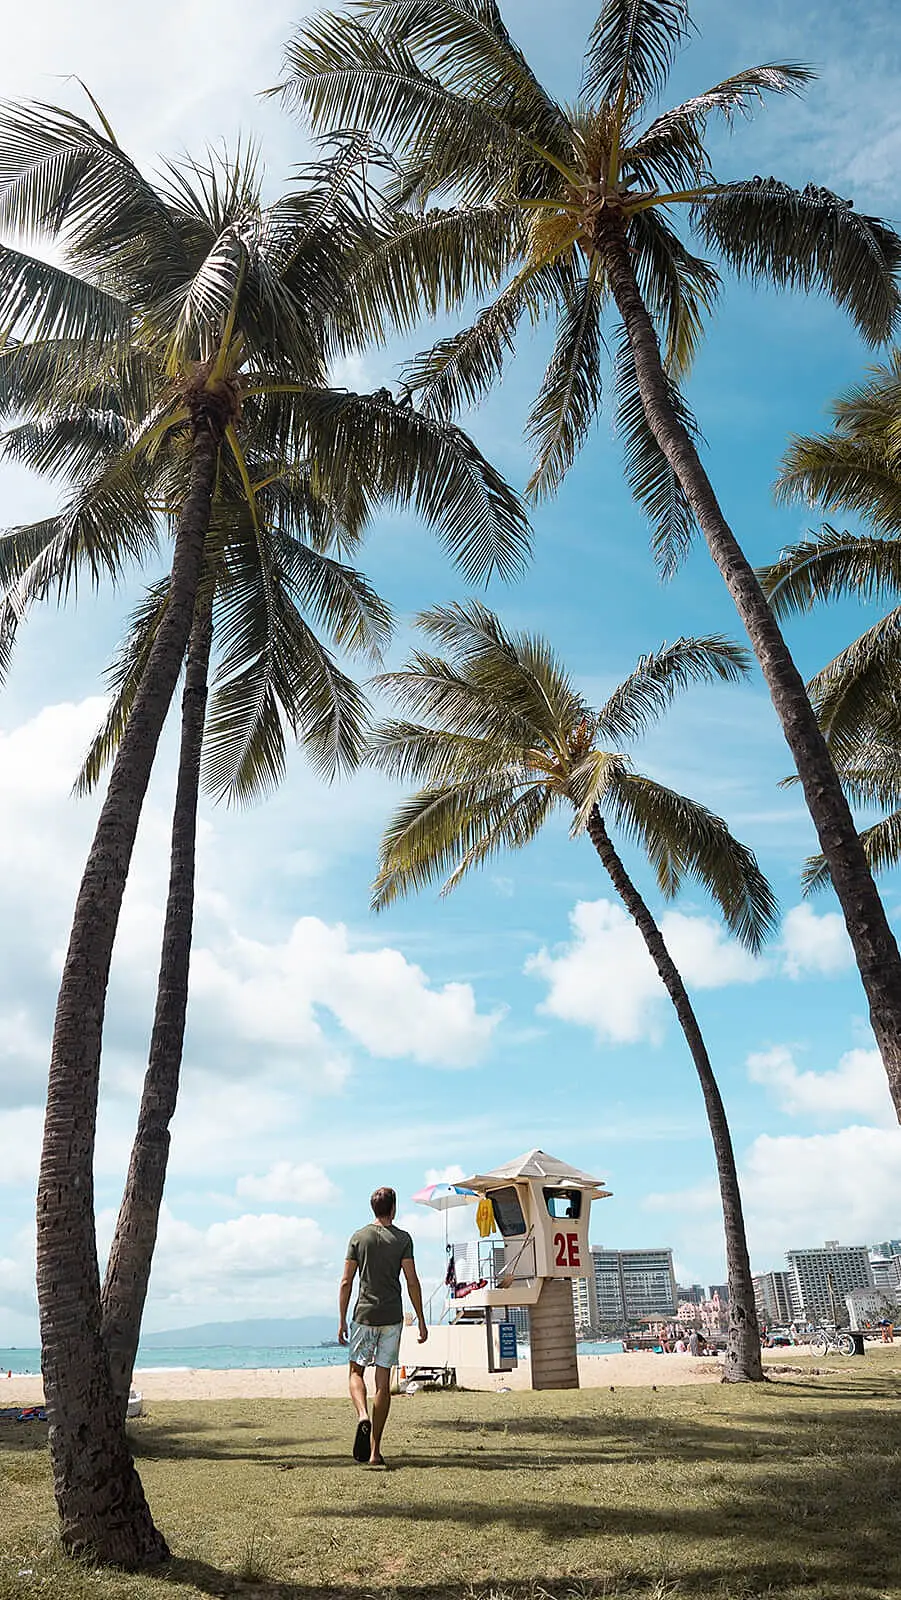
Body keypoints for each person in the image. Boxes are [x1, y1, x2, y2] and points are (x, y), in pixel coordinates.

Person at [338, 1185, 427, 1469]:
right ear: (393, 1209)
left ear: (373, 1208)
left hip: (364, 1315)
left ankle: (362, 1415)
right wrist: (421, 1319)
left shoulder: (358, 1237)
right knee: (383, 1383)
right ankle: (375, 1452)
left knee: (356, 1372)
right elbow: (411, 1280)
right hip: (391, 1317)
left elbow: (346, 1282)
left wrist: (341, 1319)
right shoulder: (403, 1239)